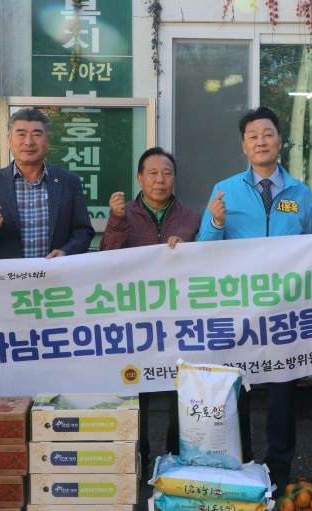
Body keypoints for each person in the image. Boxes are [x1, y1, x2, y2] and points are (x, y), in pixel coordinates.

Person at [196, 106, 312, 495]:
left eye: (268, 134)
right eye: (253, 136)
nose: (261, 141)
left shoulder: (301, 193)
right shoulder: (224, 190)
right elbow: (203, 250)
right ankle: (241, 460)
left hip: (284, 309)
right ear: (244, 146)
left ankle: (279, 465)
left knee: (282, 389)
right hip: (238, 309)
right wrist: (215, 223)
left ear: (280, 141)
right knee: (237, 388)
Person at [100, 146, 201, 478]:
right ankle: (137, 459)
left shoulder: (190, 217)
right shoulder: (124, 213)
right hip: (134, 319)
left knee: (179, 390)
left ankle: (174, 460)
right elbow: (106, 258)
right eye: (153, 173)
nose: (160, 180)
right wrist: (116, 221)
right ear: (140, 178)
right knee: (133, 389)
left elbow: (206, 265)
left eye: (167, 173)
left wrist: (188, 252)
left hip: (178, 319)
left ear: (175, 178)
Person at [0, 108, 94, 259]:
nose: (29, 142)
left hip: (56, 272)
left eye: (36, 134)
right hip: (10, 273)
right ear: (9, 140)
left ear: (47, 140)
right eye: (21, 134)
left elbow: (83, 230)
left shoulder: (69, 181)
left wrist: (66, 252)